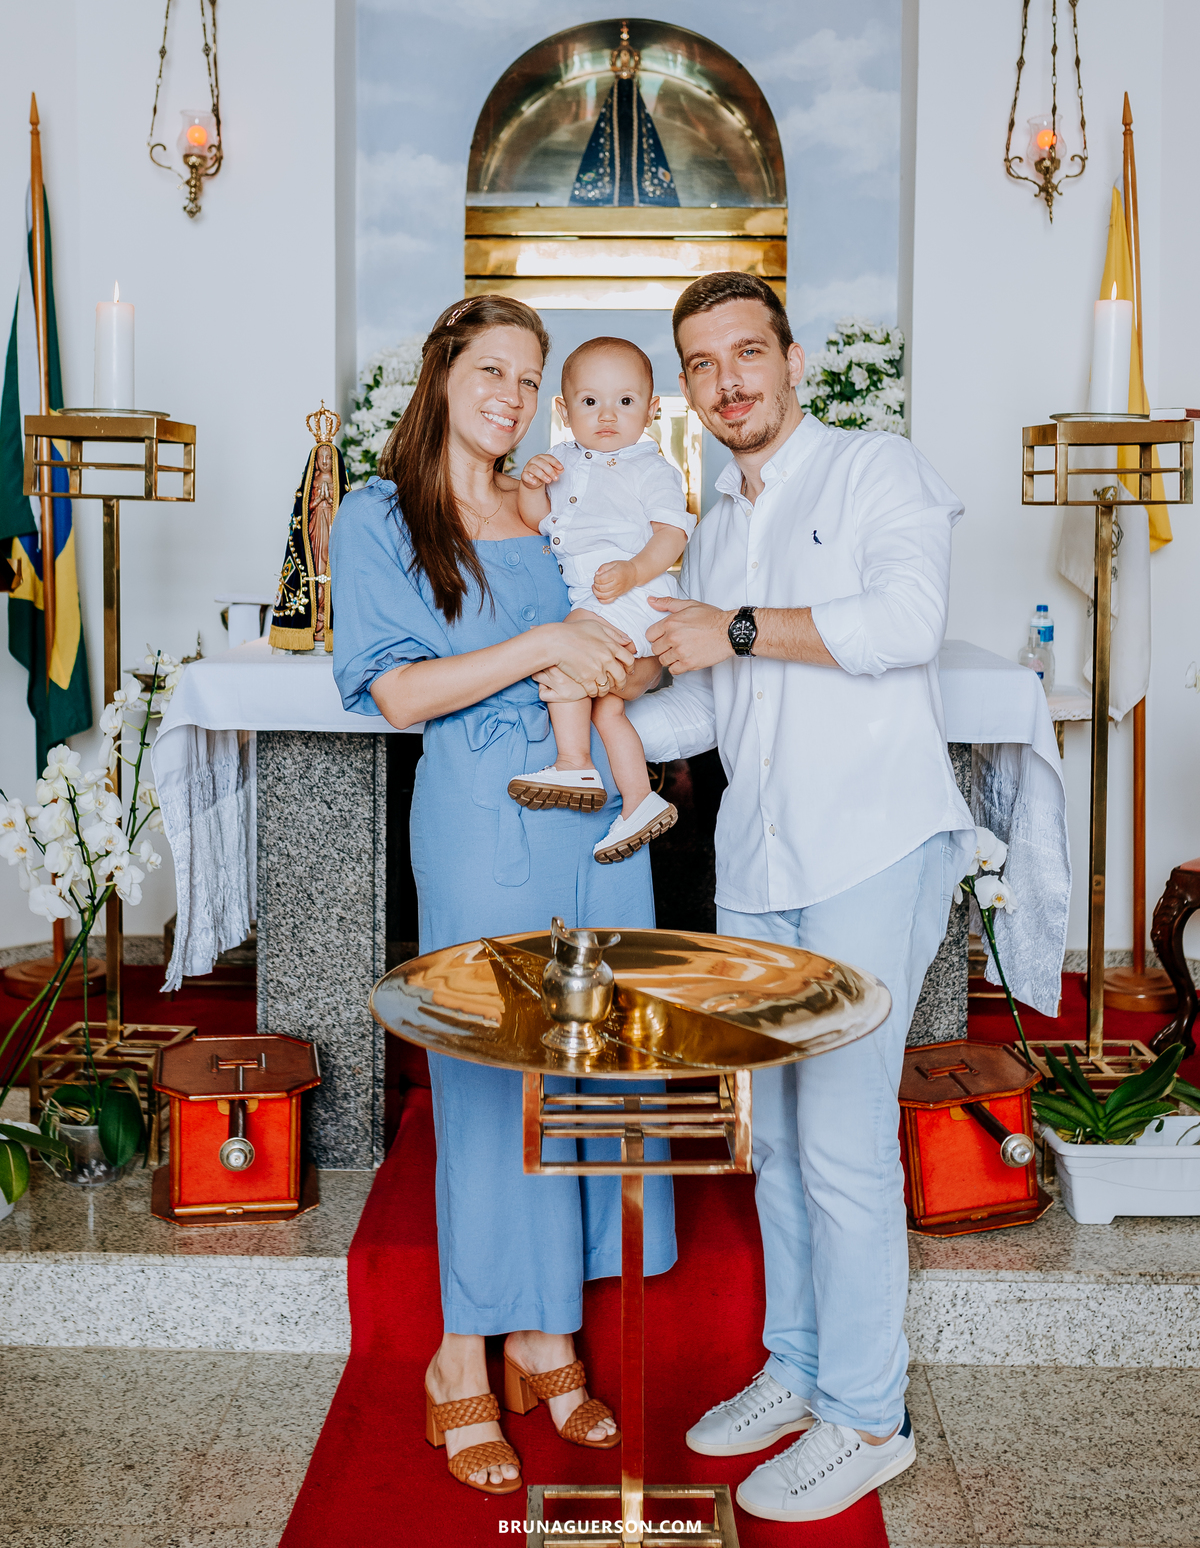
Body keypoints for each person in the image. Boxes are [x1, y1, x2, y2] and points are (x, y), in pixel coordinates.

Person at [624, 270, 975, 1526]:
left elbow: (908, 623)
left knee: (838, 1140)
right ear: (688, 388)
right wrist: (593, 692)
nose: (728, 381)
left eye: (746, 353)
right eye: (703, 364)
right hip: (760, 864)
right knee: (768, 1139)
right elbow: (709, 702)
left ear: (792, 357)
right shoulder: (717, 519)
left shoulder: (876, 469)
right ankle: (803, 1364)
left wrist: (739, 628)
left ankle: (868, 1416)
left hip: (870, 848)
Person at [330, 295, 676, 1499]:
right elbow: (395, 696)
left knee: (585, 1070)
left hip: (596, 824)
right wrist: (545, 650)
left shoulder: (551, 501)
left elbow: (617, 643)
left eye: (531, 380)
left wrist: (616, 658)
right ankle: (459, 1353)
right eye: (495, 370)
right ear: (442, 371)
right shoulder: (380, 515)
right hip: (486, 814)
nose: (515, 397)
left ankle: (545, 1334)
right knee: (490, 1078)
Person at [512, 335, 692, 863]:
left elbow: (672, 533)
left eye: (626, 401)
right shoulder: (561, 460)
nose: (608, 415)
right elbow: (534, 521)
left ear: (653, 410)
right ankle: (638, 799)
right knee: (608, 708)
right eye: (591, 402)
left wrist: (636, 567)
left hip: (633, 596)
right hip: (603, 598)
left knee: (561, 657)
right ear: (566, 411)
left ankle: (572, 761)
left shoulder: (651, 469)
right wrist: (529, 484)